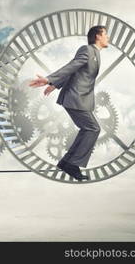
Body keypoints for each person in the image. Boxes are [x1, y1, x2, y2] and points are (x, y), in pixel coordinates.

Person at [28, 25, 109, 181]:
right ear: (98, 36)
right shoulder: (87, 50)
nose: (108, 37)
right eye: (105, 34)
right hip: (75, 98)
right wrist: (49, 79)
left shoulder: (96, 54)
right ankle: (70, 164)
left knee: (88, 129)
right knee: (92, 128)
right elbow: (71, 66)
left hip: (79, 99)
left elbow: (75, 70)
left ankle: (67, 162)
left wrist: (54, 85)